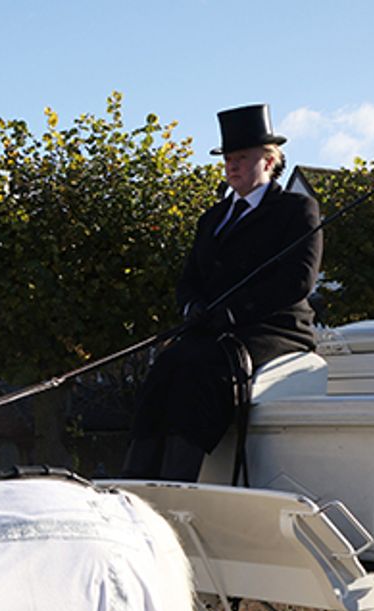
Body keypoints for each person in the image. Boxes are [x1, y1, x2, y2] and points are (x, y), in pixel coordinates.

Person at [124, 103, 323, 481]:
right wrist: (192, 308)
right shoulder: (213, 218)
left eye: (241, 158)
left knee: (204, 368)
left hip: (273, 329)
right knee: (165, 367)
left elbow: (298, 280)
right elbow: (189, 280)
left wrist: (233, 312)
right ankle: (136, 476)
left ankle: (178, 478)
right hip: (212, 329)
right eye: (228, 159)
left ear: (268, 161)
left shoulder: (296, 209)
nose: (232, 166)